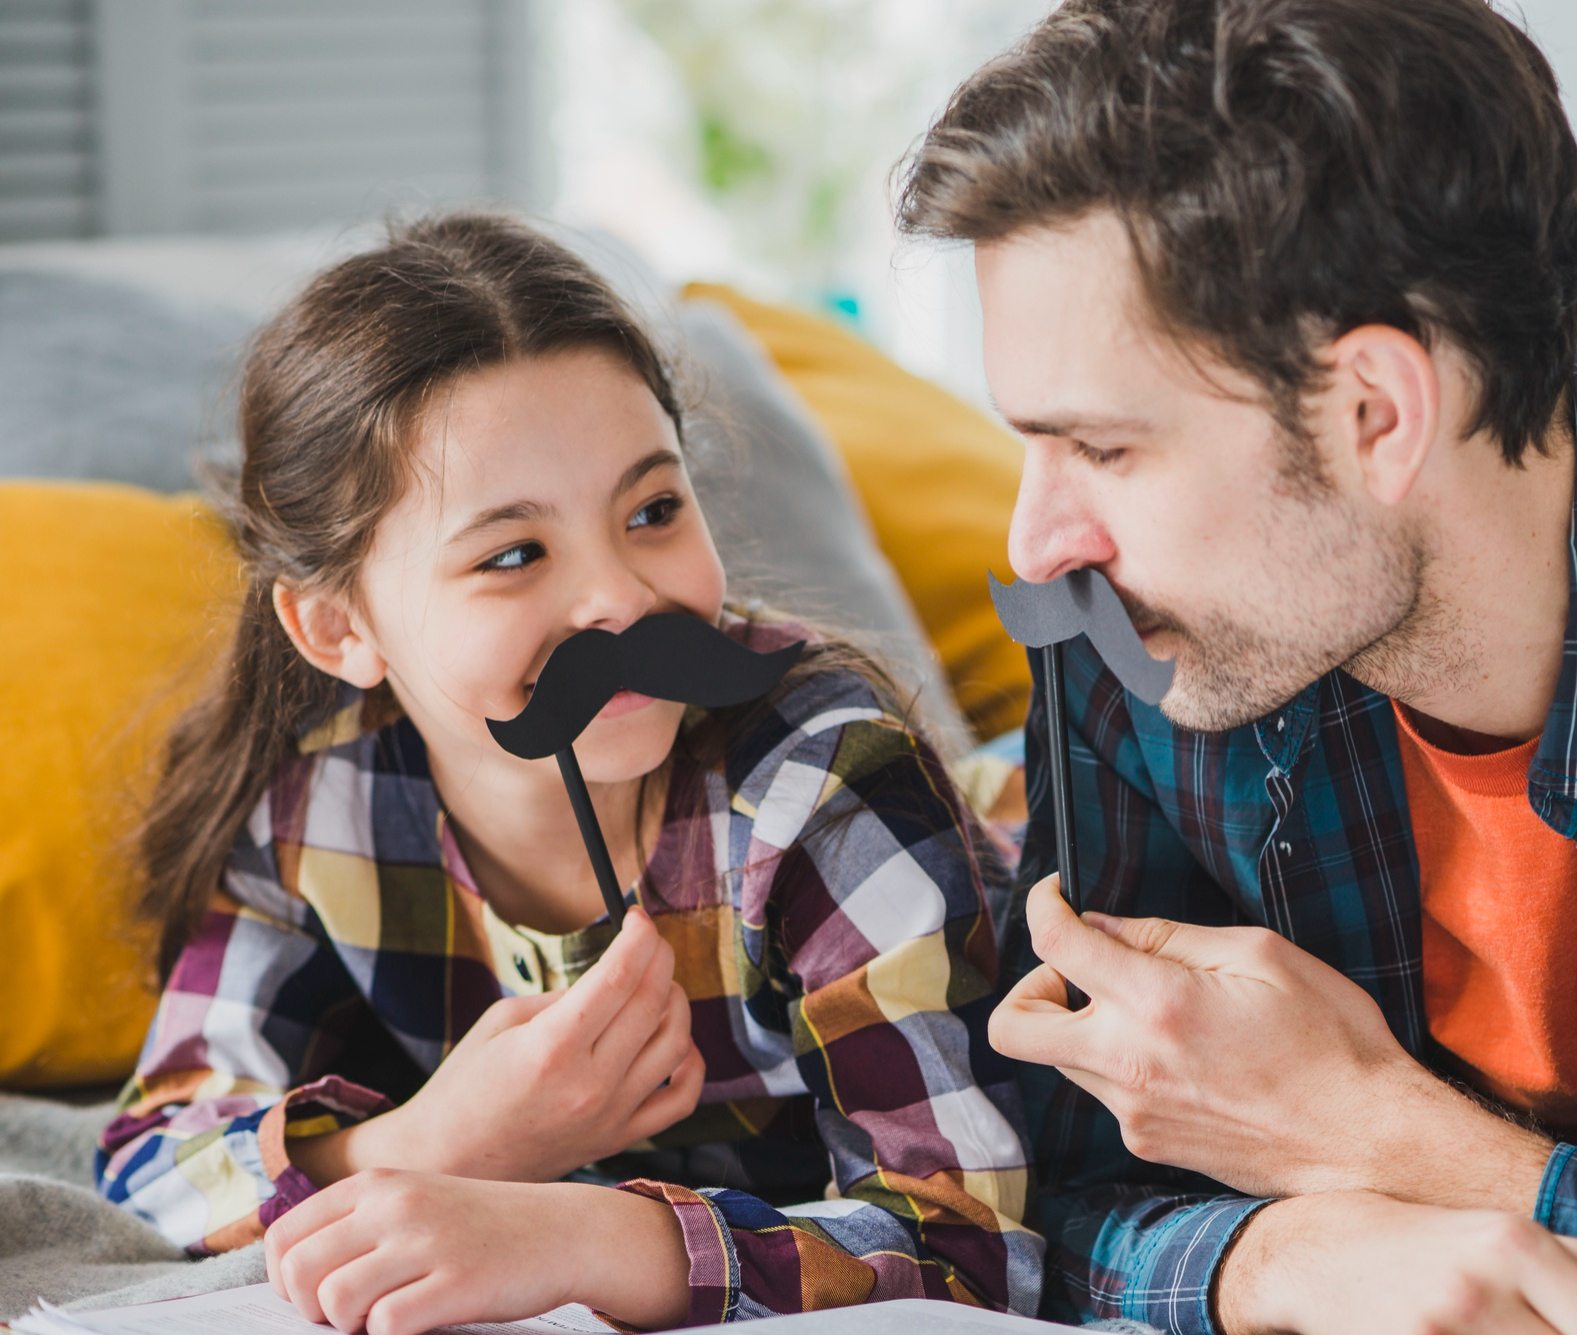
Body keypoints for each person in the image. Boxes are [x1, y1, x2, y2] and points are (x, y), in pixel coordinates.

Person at [897, 1, 1577, 1332]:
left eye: (1106, 450)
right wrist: (1283, 1258)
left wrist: (1385, 1138)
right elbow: (1040, 1188)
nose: (1036, 538)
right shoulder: (1134, 620)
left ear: (1376, 412)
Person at [98, 214, 1041, 1334]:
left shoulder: (823, 783)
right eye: (512, 554)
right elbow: (154, 1155)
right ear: (339, 627)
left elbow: (975, 1243)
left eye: (652, 512)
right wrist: (443, 1143)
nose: (620, 601)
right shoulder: (322, 808)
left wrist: (592, 1240)